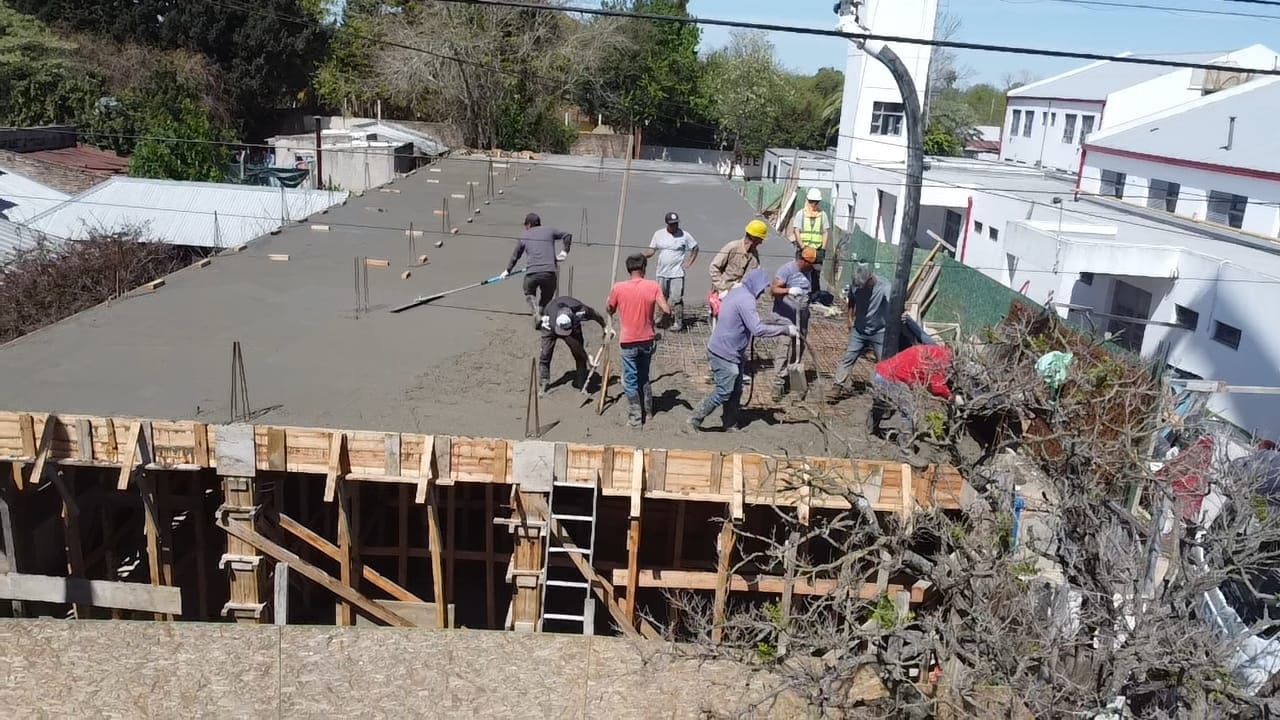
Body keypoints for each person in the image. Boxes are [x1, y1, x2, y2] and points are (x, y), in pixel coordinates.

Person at [688, 269, 797, 432]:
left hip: (732, 351)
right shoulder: (746, 300)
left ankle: (730, 422)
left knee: (736, 389)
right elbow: (757, 329)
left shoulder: (738, 291)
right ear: (755, 285)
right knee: (724, 391)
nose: (761, 294)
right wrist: (784, 330)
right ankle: (694, 419)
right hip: (724, 352)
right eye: (761, 289)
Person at [607, 253, 670, 428]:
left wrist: (610, 306)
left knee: (630, 379)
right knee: (644, 376)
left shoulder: (618, 288)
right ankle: (648, 411)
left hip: (628, 341)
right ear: (643, 268)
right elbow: (666, 309)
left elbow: (609, 308)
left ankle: (635, 418)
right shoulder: (653, 286)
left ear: (628, 269)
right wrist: (658, 323)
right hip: (647, 340)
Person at [867, 343, 954, 441]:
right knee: (908, 411)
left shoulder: (932, 349)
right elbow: (936, 386)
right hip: (890, 379)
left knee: (882, 403)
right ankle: (906, 447)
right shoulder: (941, 359)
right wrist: (950, 396)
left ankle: (870, 429)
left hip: (878, 372)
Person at [500, 212, 573, 324]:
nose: (525, 227)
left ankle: (536, 312)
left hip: (532, 273)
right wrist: (564, 252)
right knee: (547, 295)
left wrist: (507, 271)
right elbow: (567, 235)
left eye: (525, 225)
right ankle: (541, 311)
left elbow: (516, 256)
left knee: (529, 292)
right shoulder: (550, 230)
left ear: (529, 224)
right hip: (549, 273)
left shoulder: (524, 236)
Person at [536, 296, 613, 397]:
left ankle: (582, 384)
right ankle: (544, 384)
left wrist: (605, 326)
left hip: (573, 328)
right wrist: (588, 358)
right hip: (550, 328)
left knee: (579, 356)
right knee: (545, 354)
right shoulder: (551, 319)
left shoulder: (581, 311)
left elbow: (595, 314)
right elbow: (573, 343)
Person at [768, 247, 817, 401]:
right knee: (784, 347)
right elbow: (773, 290)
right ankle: (778, 383)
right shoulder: (787, 270)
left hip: (801, 317)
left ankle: (793, 376)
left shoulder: (810, 272)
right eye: (809, 263)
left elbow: (812, 292)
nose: (811, 266)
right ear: (802, 260)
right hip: (785, 317)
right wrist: (788, 291)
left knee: (799, 346)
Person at [833, 263, 891, 390]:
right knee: (849, 356)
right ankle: (837, 386)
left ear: (870, 278)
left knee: (884, 363)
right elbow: (851, 300)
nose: (861, 289)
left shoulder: (884, 286)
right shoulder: (856, 285)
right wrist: (849, 318)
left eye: (864, 286)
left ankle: (884, 392)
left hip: (879, 331)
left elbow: (893, 303)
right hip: (859, 330)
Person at [643, 211, 698, 332]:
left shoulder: (684, 235)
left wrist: (689, 262)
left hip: (677, 273)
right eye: (672, 224)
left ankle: (678, 322)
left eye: (676, 224)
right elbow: (652, 250)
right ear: (667, 224)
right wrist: (644, 256)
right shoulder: (658, 234)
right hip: (661, 273)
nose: (674, 226)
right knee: (661, 296)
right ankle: (661, 319)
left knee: (677, 298)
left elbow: (695, 247)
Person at [707, 219, 767, 325]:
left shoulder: (754, 255)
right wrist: (722, 288)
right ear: (753, 237)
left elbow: (753, 277)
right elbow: (714, 267)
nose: (761, 242)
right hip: (723, 294)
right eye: (760, 239)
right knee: (721, 328)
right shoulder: (732, 247)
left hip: (739, 297)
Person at [790, 188, 829, 295]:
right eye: (811, 201)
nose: (813, 204)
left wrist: (823, 249)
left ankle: (815, 295)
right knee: (800, 272)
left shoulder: (823, 215)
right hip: (803, 249)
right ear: (808, 200)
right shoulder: (801, 214)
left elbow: (825, 232)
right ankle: (798, 292)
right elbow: (796, 230)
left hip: (816, 250)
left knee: (816, 273)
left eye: (815, 202)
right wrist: (802, 247)